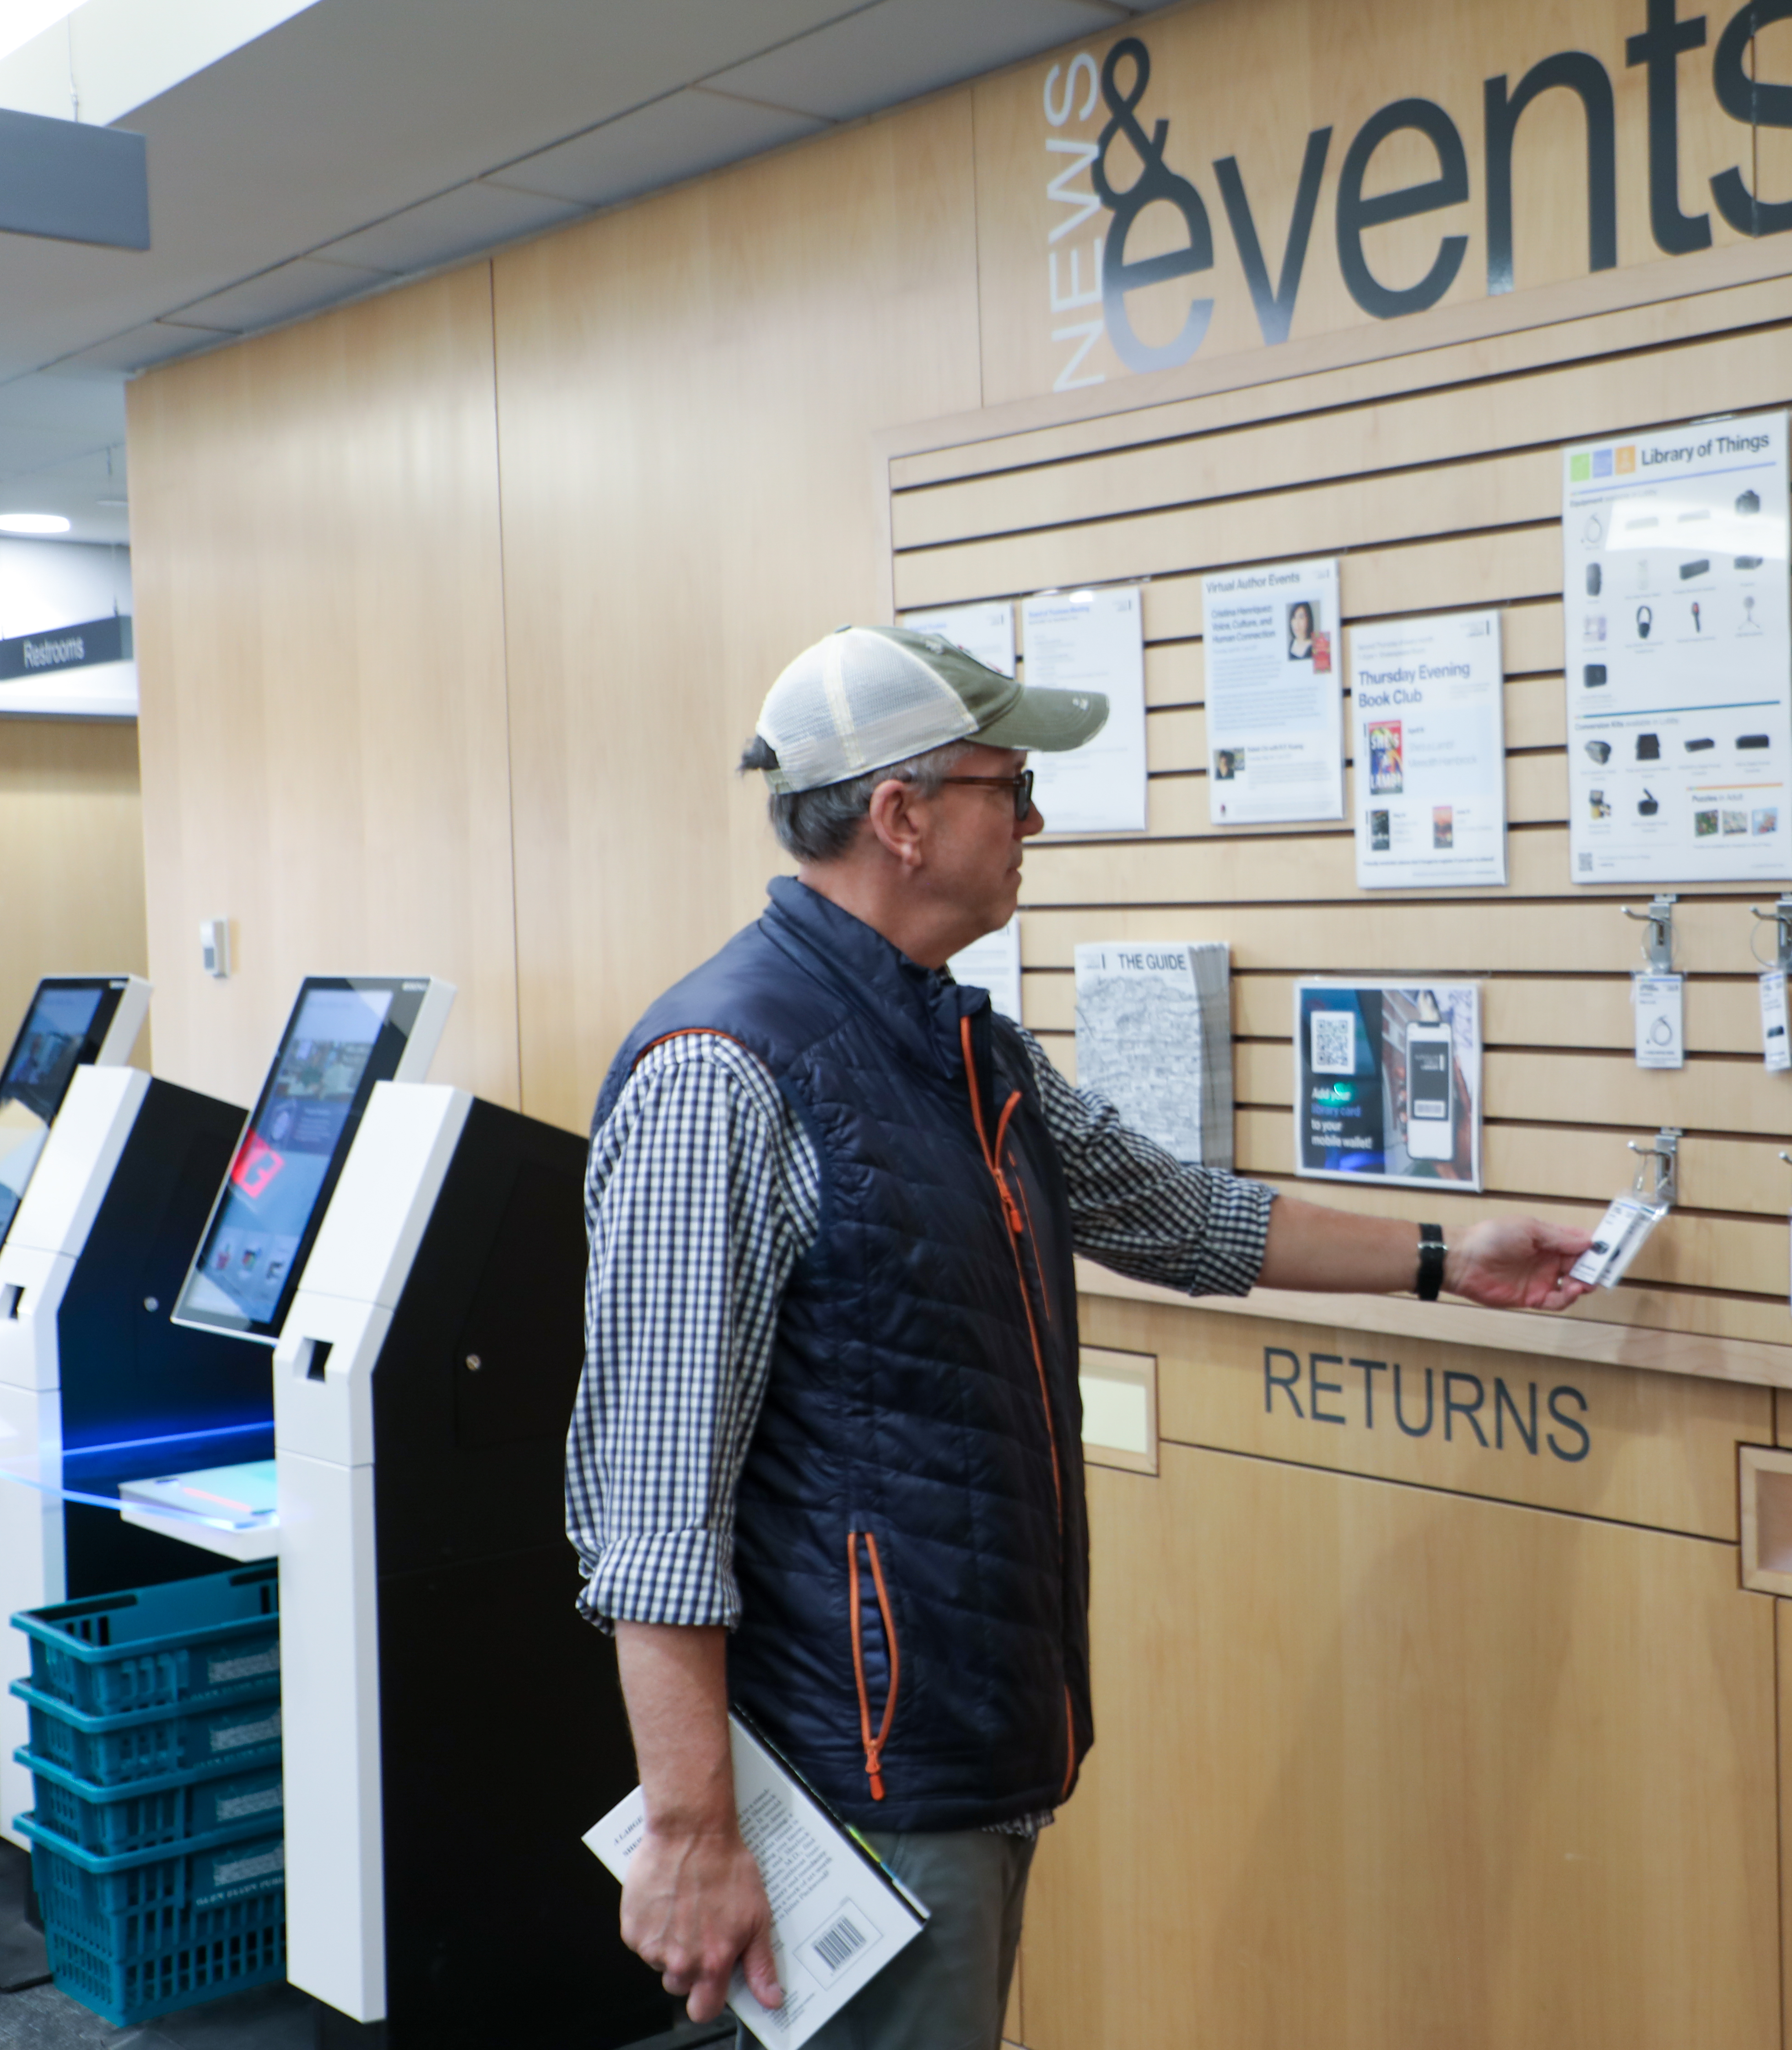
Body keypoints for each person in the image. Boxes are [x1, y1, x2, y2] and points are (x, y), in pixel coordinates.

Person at [565, 625, 1594, 2049]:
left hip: (974, 1749)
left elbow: (1179, 1216)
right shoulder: (722, 1076)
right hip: (860, 1783)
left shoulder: (957, 1046)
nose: (1035, 820)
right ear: (903, 816)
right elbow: (654, 1514)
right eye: (1012, 785)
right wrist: (690, 1832)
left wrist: (1443, 1259)